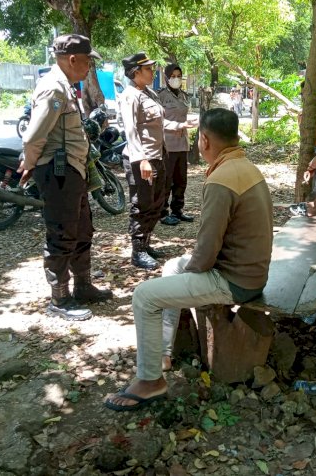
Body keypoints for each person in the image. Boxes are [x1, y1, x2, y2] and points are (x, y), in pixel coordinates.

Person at [104, 108, 273, 411]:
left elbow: (206, 253)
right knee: (172, 267)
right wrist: (188, 272)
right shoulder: (245, 166)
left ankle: (150, 381)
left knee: (144, 296)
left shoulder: (222, 179)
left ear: (204, 140)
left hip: (236, 281)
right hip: (250, 271)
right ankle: (163, 353)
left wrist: (191, 277)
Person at [18, 34, 112, 322]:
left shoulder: (67, 87)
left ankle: (83, 286)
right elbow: (34, 136)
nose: (89, 67)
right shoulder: (54, 89)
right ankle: (59, 298)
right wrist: (28, 165)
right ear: (72, 59)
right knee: (61, 233)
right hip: (59, 172)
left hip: (73, 169)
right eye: (87, 61)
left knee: (82, 229)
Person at [120, 52, 168, 270]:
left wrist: (181, 126)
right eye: (148, 69)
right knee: (142, 204)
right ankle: (137, 251)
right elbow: (131, 131)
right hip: (142, 159)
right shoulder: (130, 95)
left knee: (157, 203)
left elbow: (157, 125)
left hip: (157, 156)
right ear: (135, 72)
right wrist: (141, 160)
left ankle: (146, 243)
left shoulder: (148, 92)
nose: (152, 72)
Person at [158, 63, 197, 226]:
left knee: (181, 180)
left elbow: (181, 116)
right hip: (167, 144)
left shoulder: (183, 95)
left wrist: (187, 122)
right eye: (172, 76)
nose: (176, 79)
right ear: (166, 78)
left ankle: (177, 210)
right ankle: (162, 212)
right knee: (167, 180)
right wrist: (178, 125)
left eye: (178, 76)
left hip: (182, 143)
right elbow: (158, 120)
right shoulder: (160, 96)